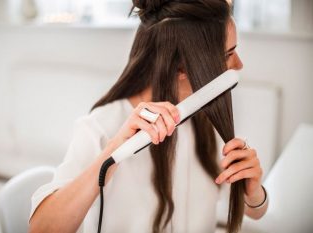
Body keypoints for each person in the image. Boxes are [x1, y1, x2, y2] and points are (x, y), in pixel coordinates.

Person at [29, 1, 268, 232]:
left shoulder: (206, 122)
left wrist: (253, 190)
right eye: (228, 54)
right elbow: (41, 230)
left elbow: (257, 212)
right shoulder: (101, 128)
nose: (239, 64)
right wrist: (112, 153)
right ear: (182, 66)